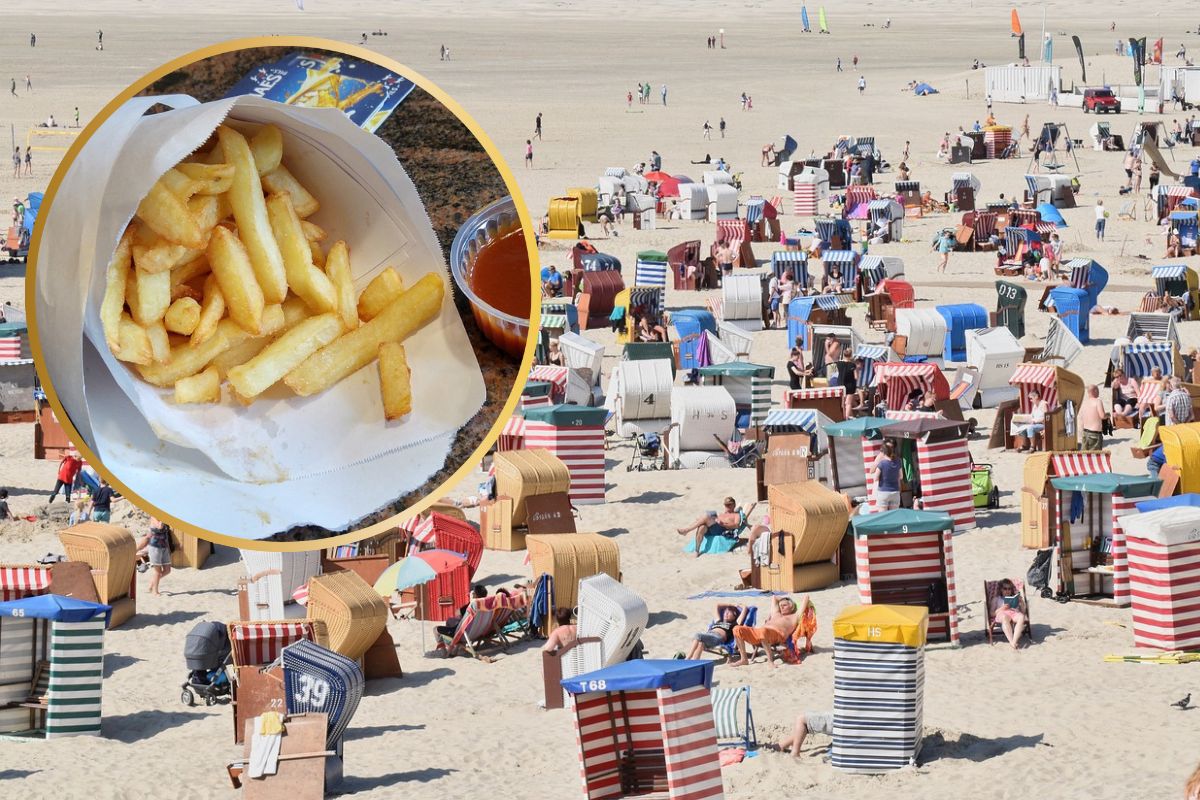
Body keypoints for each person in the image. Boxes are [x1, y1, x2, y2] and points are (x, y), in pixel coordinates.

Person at [731, 595, 800, 668]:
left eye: (784, 605)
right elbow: (774, 597)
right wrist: (785, 601)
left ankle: (770, 661)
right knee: (736, 629)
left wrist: (790, 601)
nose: (781, 607)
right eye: (780, 605)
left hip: (776, 635)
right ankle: (744, 659)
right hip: (760, 633)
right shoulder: (776, 613)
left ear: (791, 606)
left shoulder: (794, 616)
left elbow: (806, 598)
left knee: (763, 631)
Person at [676, 496, 756, 557]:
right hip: (714, 527)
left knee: (707, 516)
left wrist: (723, 524)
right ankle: (697, 551)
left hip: (722, 529)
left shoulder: (736, 515)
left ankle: (687, 530)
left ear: (734, 505)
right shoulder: (721, 514)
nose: (727, 507)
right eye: (726, 505)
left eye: (729, 505)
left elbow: (737, 525)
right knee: (702, 527)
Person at [137, 519, 173, 596]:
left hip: (164, 547)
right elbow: (160, 526)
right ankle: (155, 591)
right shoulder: (154, 516)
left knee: (167, 570)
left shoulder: (164, 516)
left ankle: (152, 583)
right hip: (155, 548)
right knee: (158, 571)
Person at [993, 578, 1027, 649]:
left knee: (1021, 617)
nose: (1007, 591)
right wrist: (1002, 608)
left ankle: (1013, 642)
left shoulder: (1015, 598)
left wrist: (1021, 602)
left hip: (1014, 613)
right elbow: (991, 613)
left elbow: (1023, 611)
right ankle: (1012, 641)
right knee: (1005, 617)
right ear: (1001, 589)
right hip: (1002, 614)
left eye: (1009, 589)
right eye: (1005, 588)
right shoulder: (997, 598)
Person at [872, 440, 902, 510]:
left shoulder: (885, 462)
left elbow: (875, 478)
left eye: (892, 447)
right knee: (894, 516)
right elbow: (901, 476)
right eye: (889, 447)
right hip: (894, 491)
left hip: (884, 491)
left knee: (884, 517)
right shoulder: (897, 460)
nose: (890, 449)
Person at [1078, 385, 1108, 452]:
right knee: (1094, 457)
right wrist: (1108, 415)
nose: (1098, 392)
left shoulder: (1084, 403)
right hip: (1094, 434)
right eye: (1098, 390)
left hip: (1085, 432)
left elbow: (1081, 419)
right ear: (1095, 391)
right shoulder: (1097, 401)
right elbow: (1102, 416)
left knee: (1085, 456)